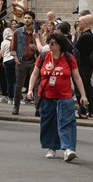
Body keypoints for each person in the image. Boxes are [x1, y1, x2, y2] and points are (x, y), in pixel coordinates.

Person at [27, 33, 89, 161]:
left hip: (65, 96)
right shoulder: (44, 56)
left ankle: (68, 149)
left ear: (60, 45)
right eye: (49, 42)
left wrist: (83, 95)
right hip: (46, 96)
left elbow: (77, 77)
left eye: (53, 43)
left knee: (67, 122)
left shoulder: (68, 58)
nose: (49, 45)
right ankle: (52, 147)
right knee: (49, 122)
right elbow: (34, 75)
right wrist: (29, 90)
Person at [10, 11, 38, 115]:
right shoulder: (18, 32)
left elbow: (42, 48)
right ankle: (16, 106)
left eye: (29, 18)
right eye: (25, 18)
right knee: (19, 85)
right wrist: (16, 60)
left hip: (33, 61)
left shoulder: (36, 33)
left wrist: (36, 48)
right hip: (21, 61)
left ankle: (37, 108)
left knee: (36, 85)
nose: (26, 20)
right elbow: (12, 47)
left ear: (33, 20)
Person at [74, 15, 93, 118]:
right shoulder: (87, 35)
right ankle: (89, 110)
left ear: (85, 23)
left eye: (79, 21)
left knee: (82, 88)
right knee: (87, 87)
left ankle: (82, 110)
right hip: (86, 65)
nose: (77, 23)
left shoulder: (86, 36)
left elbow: (77, 49)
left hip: (83, 65)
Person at [0, 27, 16, 105]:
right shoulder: (15, 40)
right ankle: (16, 98)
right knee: (15, 80)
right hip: (14, 60)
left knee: (9, 80)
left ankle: (10, 98)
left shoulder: (3, 42)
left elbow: (1, 54)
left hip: (6, 61)